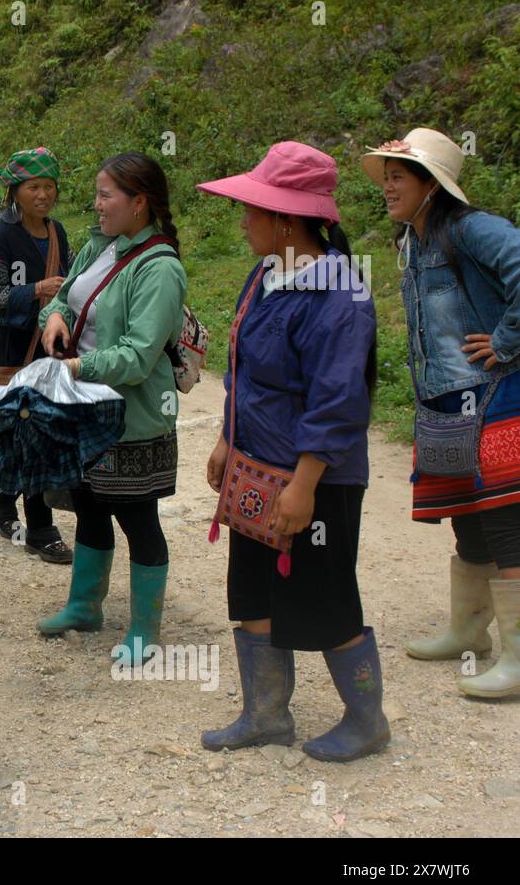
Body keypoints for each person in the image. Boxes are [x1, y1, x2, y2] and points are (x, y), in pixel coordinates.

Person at [197, 142, 389, 761]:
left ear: (284, 218)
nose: (242, 220)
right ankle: (266, 714)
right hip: (257, 464)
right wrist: (229, 436)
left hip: (316, 478)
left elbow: (338, 402)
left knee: (325, 594)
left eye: (250, 209)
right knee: (251, 588)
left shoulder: (339, 298)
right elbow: (242, 366)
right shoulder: (267, 275)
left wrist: (304, 485)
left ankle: (367, 721)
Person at [364, 127, 520, 699]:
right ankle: (469, 630)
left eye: (398, 177)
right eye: (386, 178)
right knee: (468, 516)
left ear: (433, 184)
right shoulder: (416, 240)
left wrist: (506, 340)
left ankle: (518, 656)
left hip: (500, 396)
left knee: (506, 519)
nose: (388, 187)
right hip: (450, 403)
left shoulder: (471, 229)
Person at [37, 152, 187, 668]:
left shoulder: (160, 268)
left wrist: (76, 367)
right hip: (86, 410)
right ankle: (84, 606)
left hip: (132, 418)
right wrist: (53, 319)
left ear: (139, 202)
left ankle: (145, 627)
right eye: (97, 194)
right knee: (90, 506)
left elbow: (140, 355)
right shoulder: (99, 246)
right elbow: (64, 299)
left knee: (138, 518)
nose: (96, 204)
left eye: (107, 195)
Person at [0, 147, 73, 563]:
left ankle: (2, 501)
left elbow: (67, 287)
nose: (43, 195)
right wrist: (35, 291)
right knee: (30, 434)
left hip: (51, 350)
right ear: (15, 192)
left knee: (39, 433)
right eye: (34, 187)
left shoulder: (58, 234)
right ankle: (40, 528)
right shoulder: (0, 238)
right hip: (16, 351)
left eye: (49, 187)